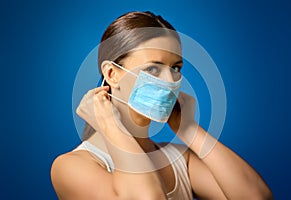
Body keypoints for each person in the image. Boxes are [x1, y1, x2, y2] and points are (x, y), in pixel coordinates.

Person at [51, 11, 273, 200]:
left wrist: (189, 130)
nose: (170, 80)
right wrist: (109, 125)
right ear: (112, 74)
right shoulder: (71, 167)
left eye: (176, 68)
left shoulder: (177, 158)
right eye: (153, 69)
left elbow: (256, 197)